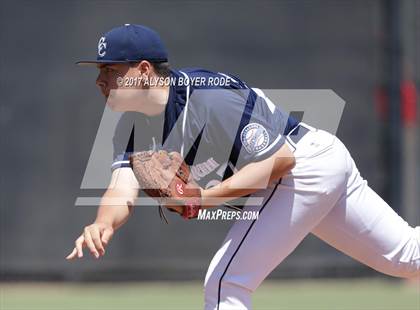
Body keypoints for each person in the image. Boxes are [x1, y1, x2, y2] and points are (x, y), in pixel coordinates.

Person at [67, 24, 420, 310]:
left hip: (304, 167)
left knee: (225, 284)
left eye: (110, 70)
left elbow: (281, 160)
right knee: (406, 256)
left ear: (143, 71)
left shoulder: (208, 99)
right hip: (315, 163)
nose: (100, 80)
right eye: (100, 70)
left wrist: (204, 197)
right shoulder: (129, 126)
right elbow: (121, 186)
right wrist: (102, 223)